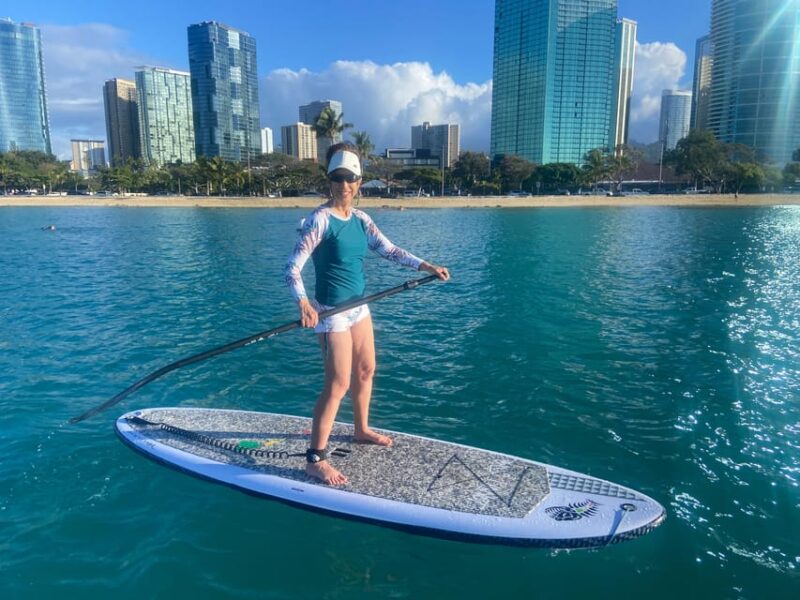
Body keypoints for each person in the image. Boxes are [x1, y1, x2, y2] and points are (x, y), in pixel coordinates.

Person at [284, 143, 449, 485]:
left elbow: (388, 250)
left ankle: (360, 429)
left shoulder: (361, 220)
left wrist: (426, 266)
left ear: (360, 182)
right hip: (331, 312)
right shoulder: (319, 220)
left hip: (359, 307)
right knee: (338, 383)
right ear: (329, 180)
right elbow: (292, 269)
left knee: (366, 369)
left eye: (351, 178)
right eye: (337, 177)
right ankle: (315, 458)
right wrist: (303, 303)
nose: (344, 185)